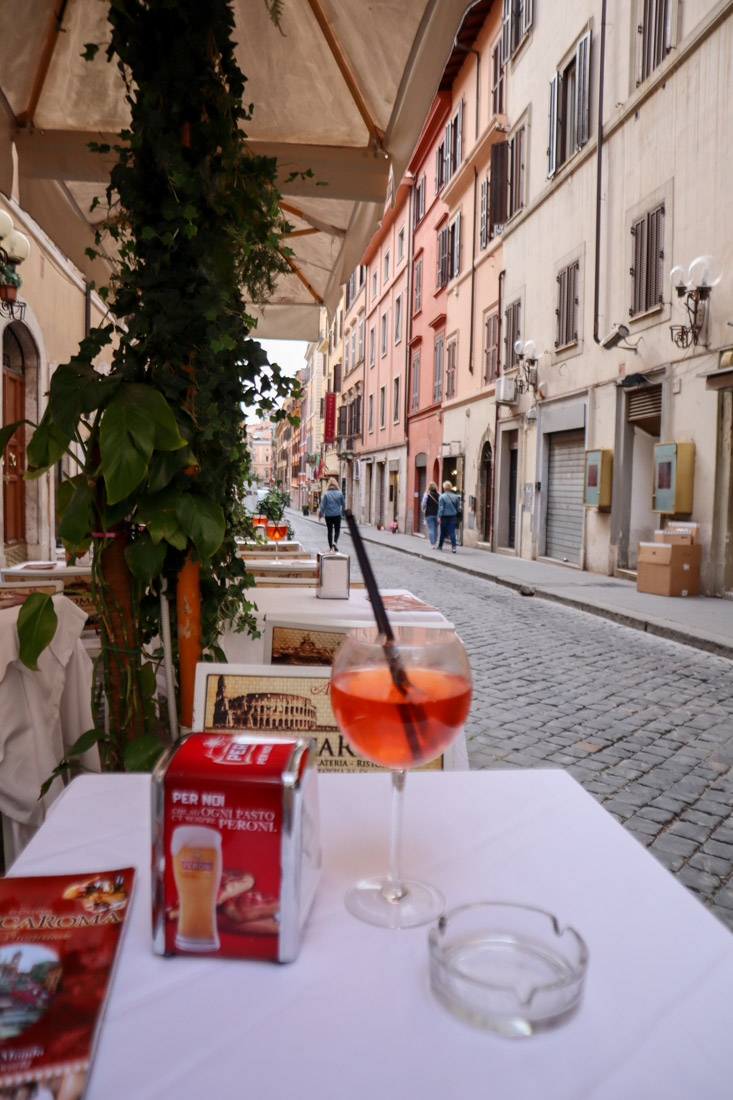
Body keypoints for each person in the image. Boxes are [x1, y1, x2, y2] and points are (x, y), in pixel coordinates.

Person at [318, 479, 345, 550]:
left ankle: (330, 547)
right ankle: (335, 542)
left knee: (329, 530)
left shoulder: (326, 494)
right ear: (336, 484)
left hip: (328, 515)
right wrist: (343, 513)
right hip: (337, 514)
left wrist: (321, 515)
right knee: (337, 530)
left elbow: (323, 506)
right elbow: (343, 504)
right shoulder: (340, 493)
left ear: (329, 485)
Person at [437, 480, 461, 552]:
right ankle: (454, 548)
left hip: (444, 517)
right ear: (450, 488)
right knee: (452, 532)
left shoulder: (442, 497)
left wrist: (438, 516)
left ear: (444, 488)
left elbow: (441, 508)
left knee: (443, 532)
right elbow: (458, 506)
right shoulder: (455, 496)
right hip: (453, 516)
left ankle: (440, 546)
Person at [421, 480, 440, 549]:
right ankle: (435, 542)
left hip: (429, 514)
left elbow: (423, 504)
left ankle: (432, 544)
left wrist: (423, 509)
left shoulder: (427, 495)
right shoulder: (439, 495)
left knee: (431, 528)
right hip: (437, 514)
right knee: (435, 529)